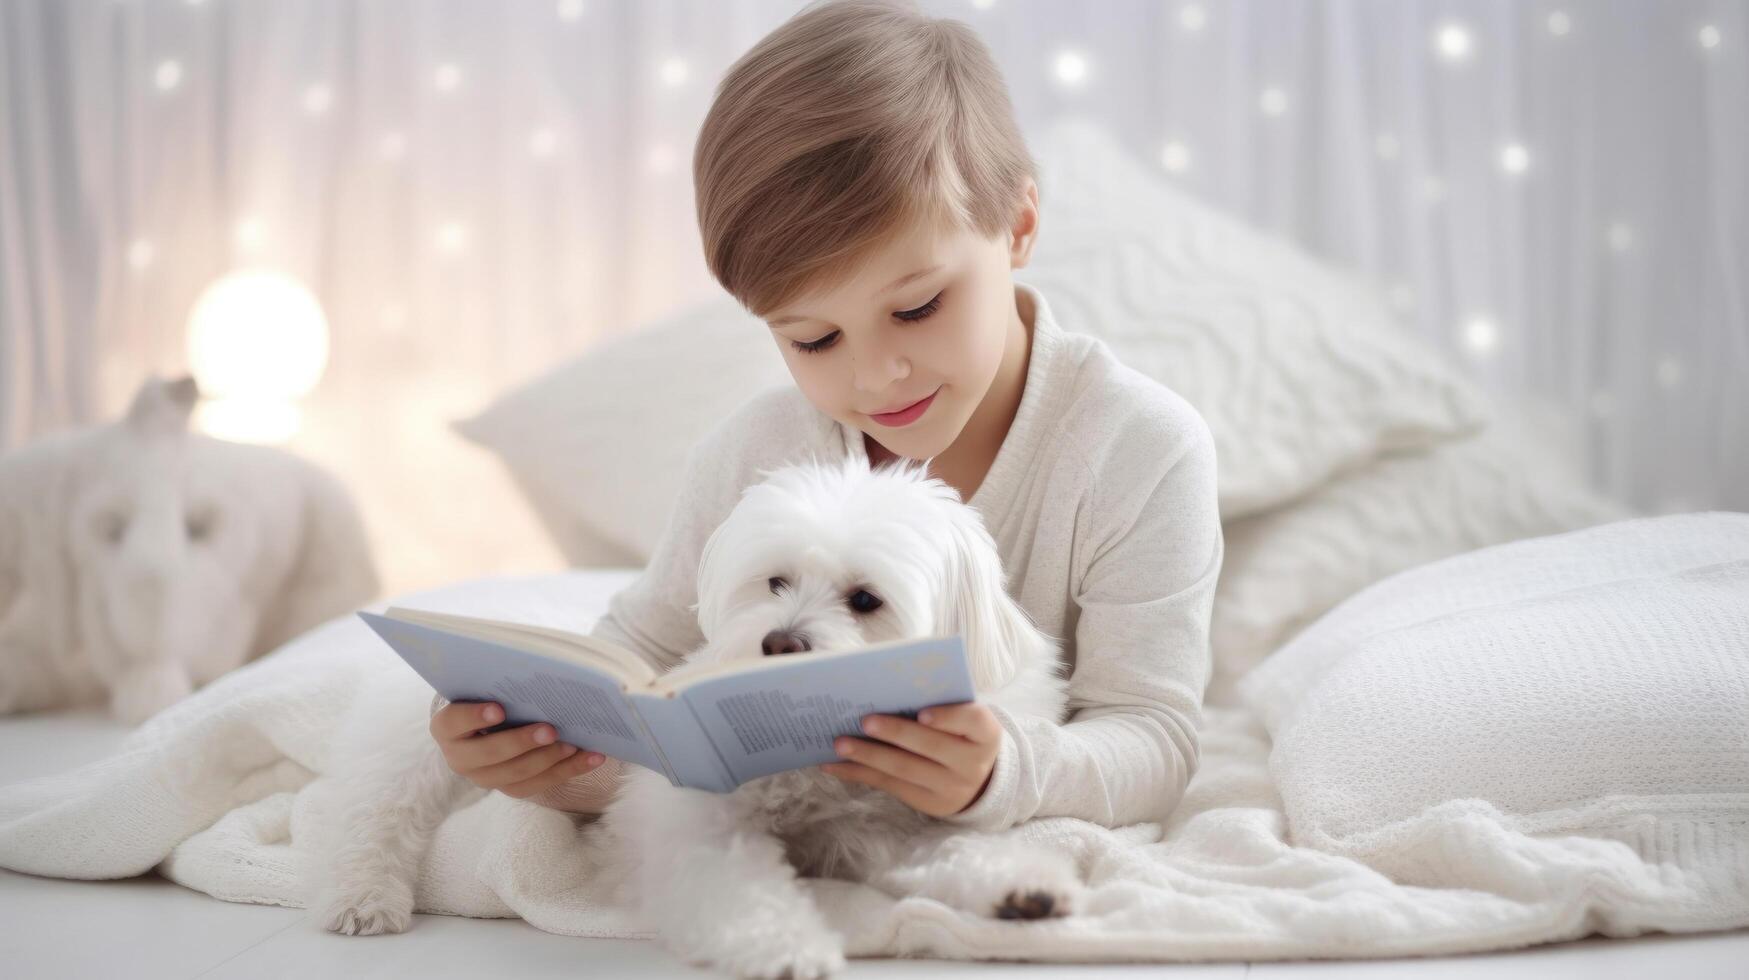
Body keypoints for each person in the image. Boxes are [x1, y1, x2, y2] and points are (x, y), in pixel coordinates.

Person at [428, 0, 1223, 833]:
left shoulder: (1138, 450)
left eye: (916, 309)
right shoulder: (755, 451)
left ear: (1017, 225)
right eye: (814, 339)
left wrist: (1002, 773)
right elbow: (640, 666)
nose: (875, 374)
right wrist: (547, 761)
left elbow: (1152, 736)